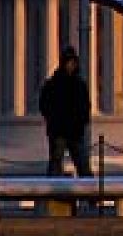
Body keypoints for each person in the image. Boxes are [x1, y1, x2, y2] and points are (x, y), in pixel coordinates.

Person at [38, 46, 92, 177]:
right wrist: (53, 119)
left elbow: (85, 106)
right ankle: (53, 191)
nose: (71, 65)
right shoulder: (53, 84)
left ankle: (91, 192)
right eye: (69, 62)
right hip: (59, 130)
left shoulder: (79, 84)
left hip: (74, 130)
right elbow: (44, 105)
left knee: (82, 163)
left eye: (73, 62)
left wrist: (82, 120)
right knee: (56, 162)